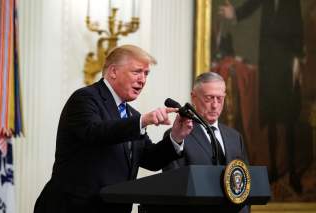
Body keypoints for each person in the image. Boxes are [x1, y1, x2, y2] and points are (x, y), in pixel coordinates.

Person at [34, 44, 193, 213]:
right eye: (137, 71)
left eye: (146, 73)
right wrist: (143, 121)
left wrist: (176, 137)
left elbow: (151, 159)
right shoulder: (85, 98)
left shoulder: (132, 115)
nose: (143, 79)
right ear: (113, 72)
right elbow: (95, 132)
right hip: (73, 207)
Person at [219, 0, 304, 193]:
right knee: (271, 118)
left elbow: (298, 30)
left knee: (290, 119)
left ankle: (293, 173)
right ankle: (273, 169)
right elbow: (250, 6)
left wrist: (297, 61)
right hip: (267, 64)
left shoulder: (293, 3)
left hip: (287, 65)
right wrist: (235, 14)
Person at [163, 72, 249, 213]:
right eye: (209, 98)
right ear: (194, 97)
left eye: (220, 99)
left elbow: (245, 184)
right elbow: (173, 188)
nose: (215, 105)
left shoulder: (235, 137)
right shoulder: (178, 136)